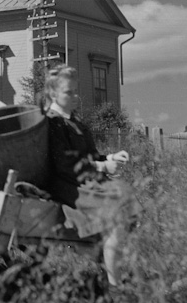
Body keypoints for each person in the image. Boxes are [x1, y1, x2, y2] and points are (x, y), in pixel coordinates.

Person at [42, 64, 136, 287]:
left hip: (85, 182)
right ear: (54, 93)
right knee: (119, 209)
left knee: (125, 199)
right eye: (68, 92)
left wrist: (110, 157)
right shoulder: (52, 123)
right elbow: (65, 165)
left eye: (76, 91)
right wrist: (103, 168)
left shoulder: (76, 124)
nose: (75, 97)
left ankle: (113, 270)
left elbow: (91, 156)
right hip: (68, 188)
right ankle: (115, 287)